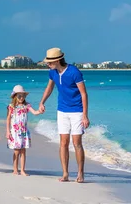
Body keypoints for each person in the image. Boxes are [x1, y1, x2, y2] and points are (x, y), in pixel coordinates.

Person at [38, 47, 90, 183]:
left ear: (57, 60)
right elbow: (49, 88)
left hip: (77, 111)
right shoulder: (52, 72)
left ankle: (80, 173)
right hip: (62, 111)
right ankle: (65, 173)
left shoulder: (74, 72)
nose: (48, 65)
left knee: (77, 143)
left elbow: (84, 94)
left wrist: (85, 115)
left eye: (50, 62)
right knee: (63, 143)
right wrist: (42, 102)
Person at [6, 85, 42, 176]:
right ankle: (15, 169)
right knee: (16, 151)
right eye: (19, 96)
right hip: (15, 131)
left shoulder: (27, 105)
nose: (21, 98)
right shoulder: (11, 106)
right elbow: (8, 119)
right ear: (15, 96)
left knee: (23, 151)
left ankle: (22, 170)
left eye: (23, 96)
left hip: (24, 131)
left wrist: (40, 111)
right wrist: (7, 131)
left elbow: (34, 112)